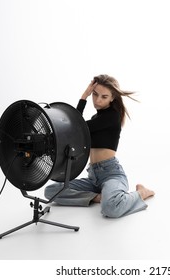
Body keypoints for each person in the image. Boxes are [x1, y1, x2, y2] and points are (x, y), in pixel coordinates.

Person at [44, 74, 155, 218]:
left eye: (104, 96)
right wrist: (85, 95)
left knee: (111, 209)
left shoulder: (112, 116)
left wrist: (84, 98)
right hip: (93, 177)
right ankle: (98, 197)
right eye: (95, 95)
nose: (97, 100)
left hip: (111, 174)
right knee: (51, 191)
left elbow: (76, 127)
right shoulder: (95, 119)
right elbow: (76, 129)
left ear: (112, 98)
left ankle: (141, 193)